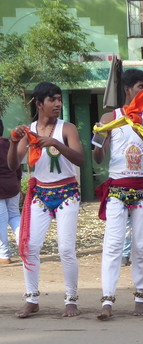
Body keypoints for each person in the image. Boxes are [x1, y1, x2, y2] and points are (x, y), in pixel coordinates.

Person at [92, 69, 143, 320]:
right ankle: (107, 301)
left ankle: (140, 297)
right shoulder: (109, 117)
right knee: (112, 245)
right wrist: (99, 136)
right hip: (117, 190)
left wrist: (142, 135)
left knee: (142, 247)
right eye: (140, 87)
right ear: (127, 89)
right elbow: (97, 156)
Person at [8, 82, 85, 318]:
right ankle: (32, 299)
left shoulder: (67, 128)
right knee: (29, 247)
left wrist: (56, 144)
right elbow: (12, 165)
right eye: (52, 100)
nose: (58, 104)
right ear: (39, 104)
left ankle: (71, 299)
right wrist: (12, 142)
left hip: (67, 193)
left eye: (59, 99)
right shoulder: (29, 130)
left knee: (65, 248)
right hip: (40, 194)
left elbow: (81, 160)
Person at [0, 119, 22, 264]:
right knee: (14, 216)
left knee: (1, 222)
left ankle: (4, 256)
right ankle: (25, 247)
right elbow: (17, 166)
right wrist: (19, 185)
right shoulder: (10, 144)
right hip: (13, 185)